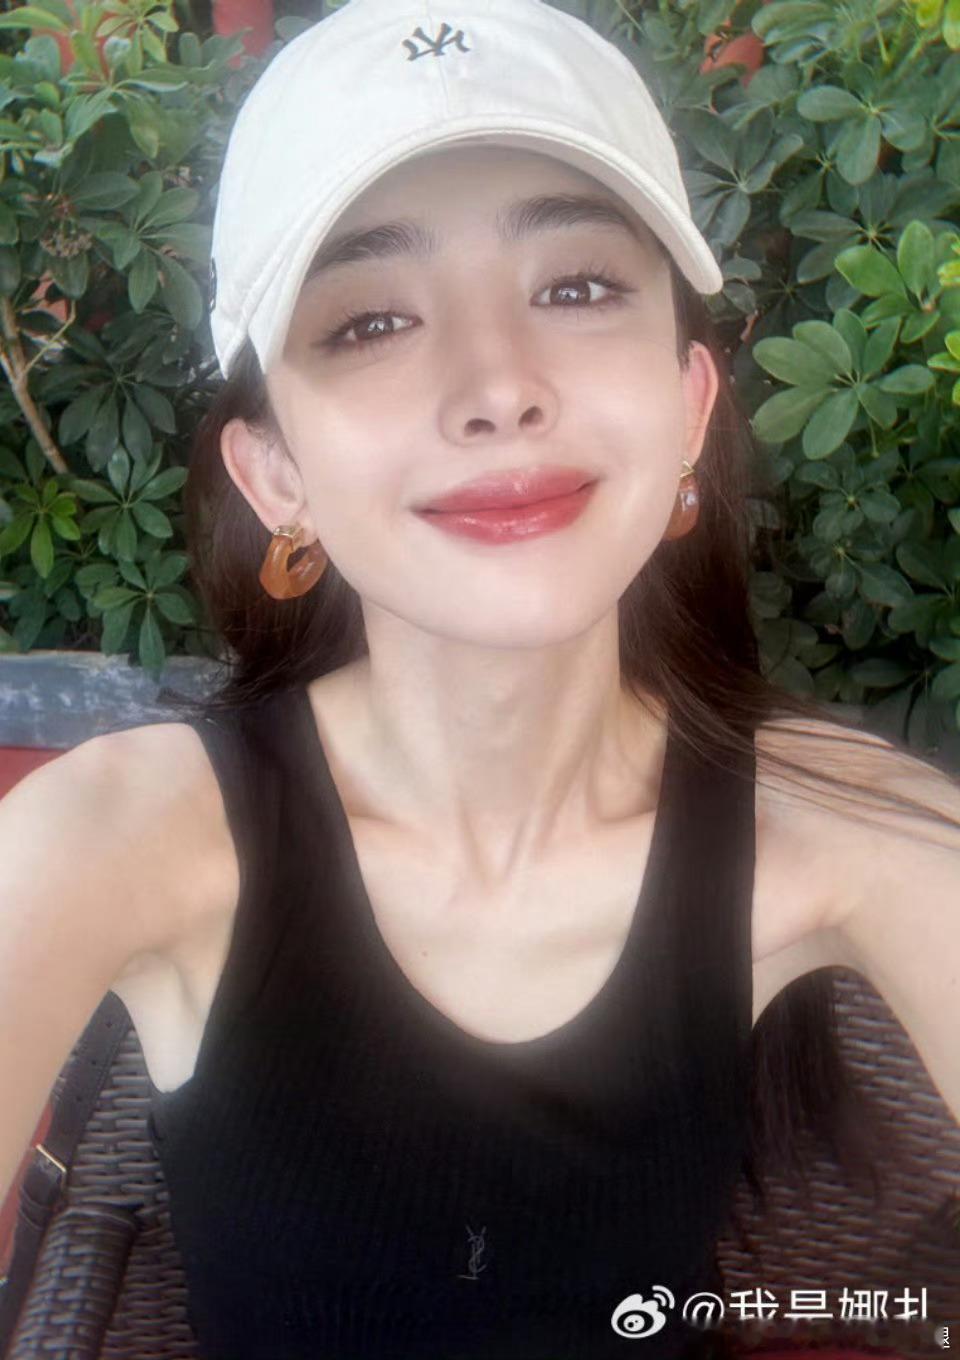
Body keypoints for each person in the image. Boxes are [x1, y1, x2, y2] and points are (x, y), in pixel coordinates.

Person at [3, 1, 959, 1358]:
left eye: (576, 288)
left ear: (689, 408)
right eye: (370, 320)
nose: (499, 386)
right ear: (276, 474)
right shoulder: (113, 838)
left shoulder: (847, 827)